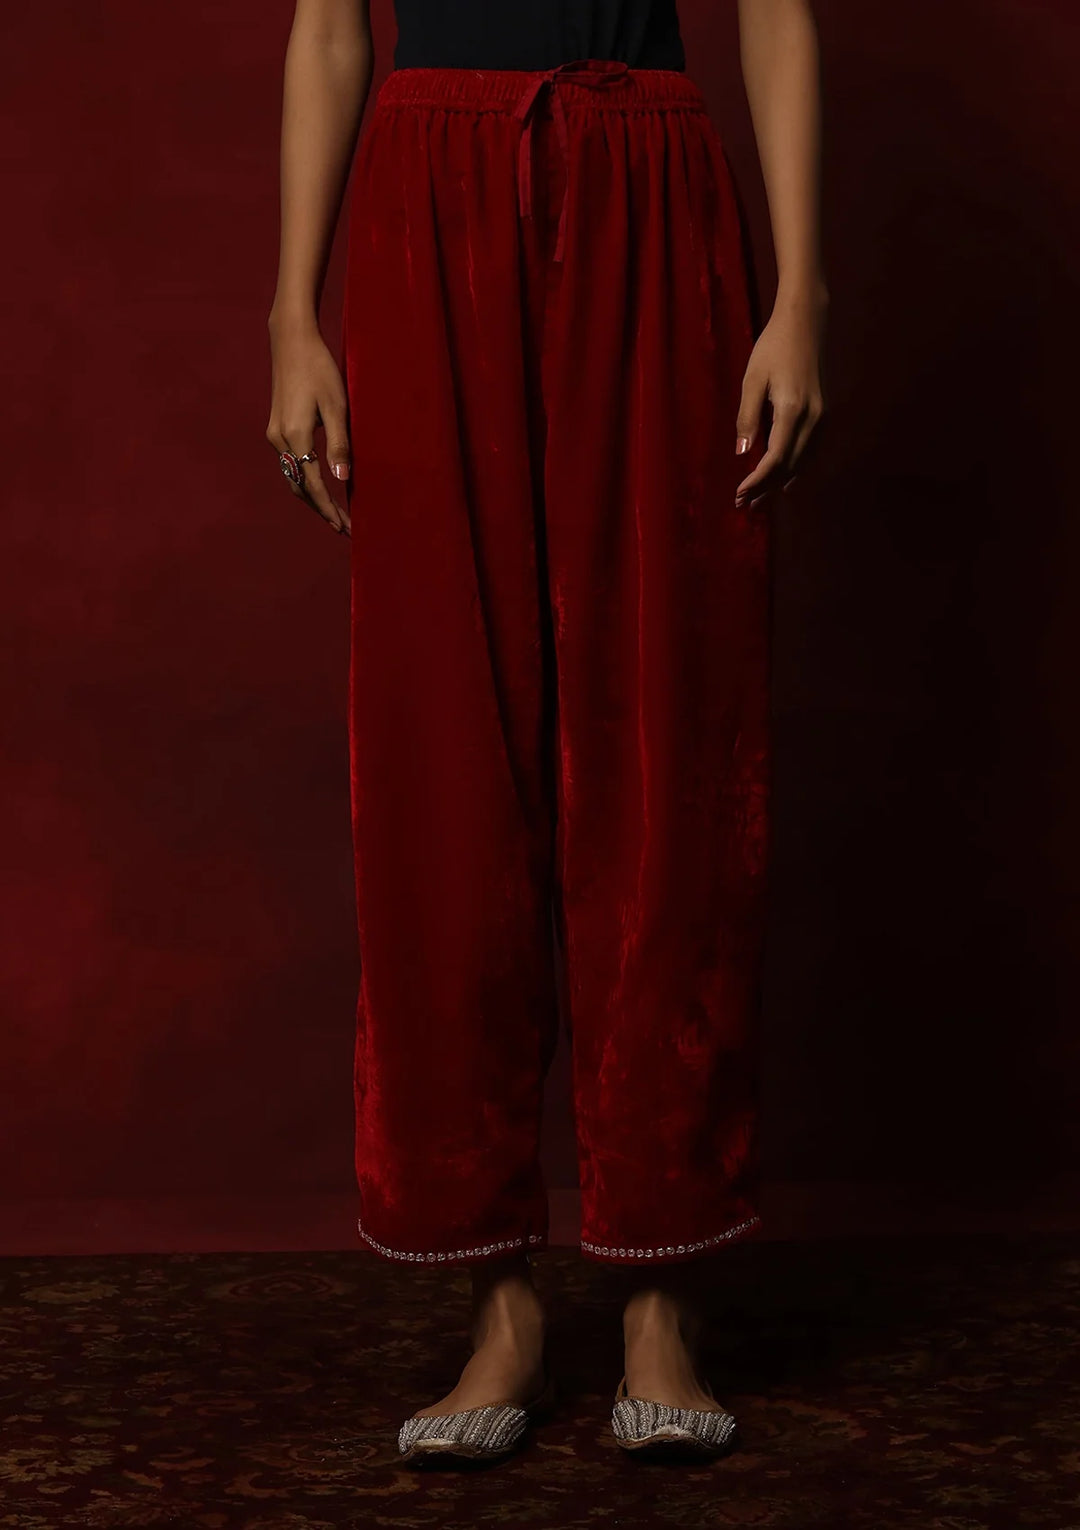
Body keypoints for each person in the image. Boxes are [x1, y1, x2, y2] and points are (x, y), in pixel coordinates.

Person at [266, 0, 826, 1464]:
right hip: (425, 197)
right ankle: (499, 1303)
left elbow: (776, 11)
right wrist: (290, 319)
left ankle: (662, 1296)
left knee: (668, 744)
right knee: (441, 748)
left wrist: (802, 296)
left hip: (653, 188)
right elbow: (328, 29)